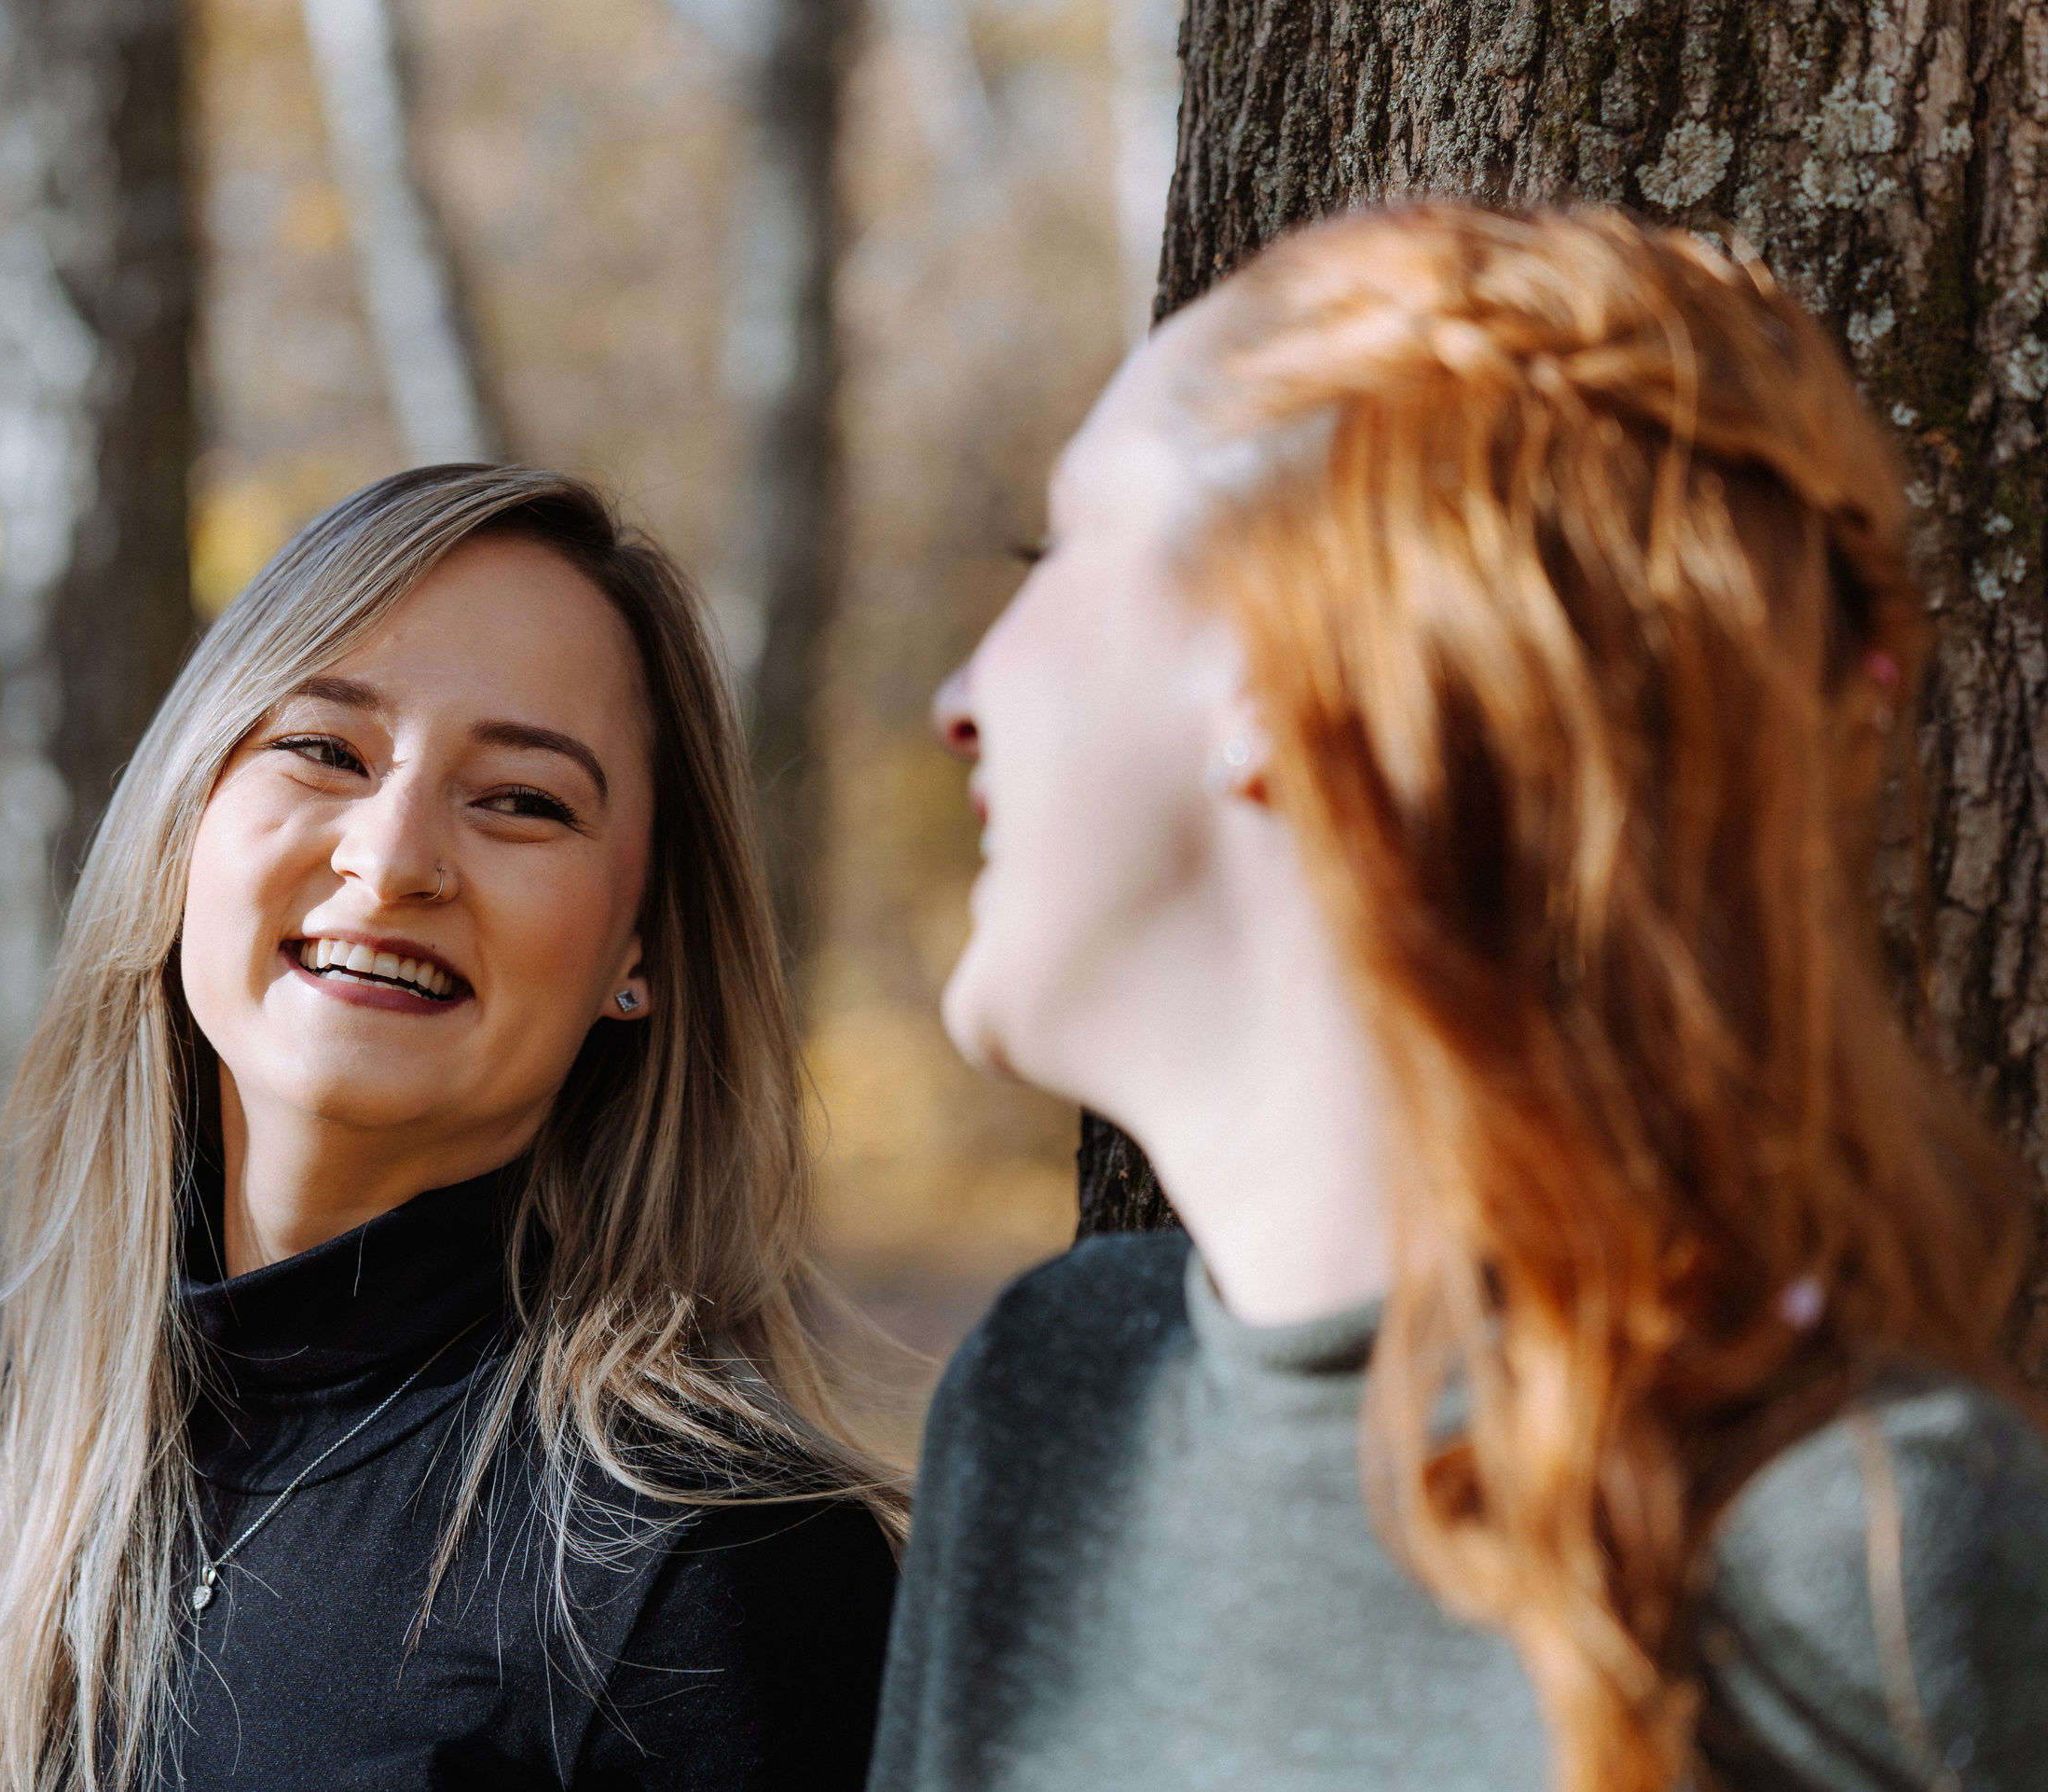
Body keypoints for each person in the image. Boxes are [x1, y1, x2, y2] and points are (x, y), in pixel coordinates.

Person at [876, 204, 2048, 1792]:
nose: (962, 696)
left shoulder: (1858, 1550)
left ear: (1281, 650)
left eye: (1058, 549)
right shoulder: (1044, 1401)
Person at [0, 465, 902, 1792]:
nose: (394, 853)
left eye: (524, 799)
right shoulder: (59, 1437)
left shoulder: (710, 1568)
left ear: (636, 946)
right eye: (325, 748)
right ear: (190, 817)